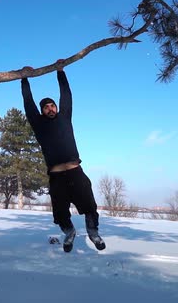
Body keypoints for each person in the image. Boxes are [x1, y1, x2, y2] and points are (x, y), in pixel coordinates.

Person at [20, 60, 105, 253]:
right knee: (59, 211)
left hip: (76, 172)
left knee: (90, 205)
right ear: (42, 111)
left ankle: (93, 232)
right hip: (56, 176)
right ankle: (69, 232)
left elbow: (66, 95)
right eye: (46, 107)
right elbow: (28, 103)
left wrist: (60, 71)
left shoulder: (65, 117)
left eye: (52, 106)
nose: (50, 108)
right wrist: (24, 78)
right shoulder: (38, 124)